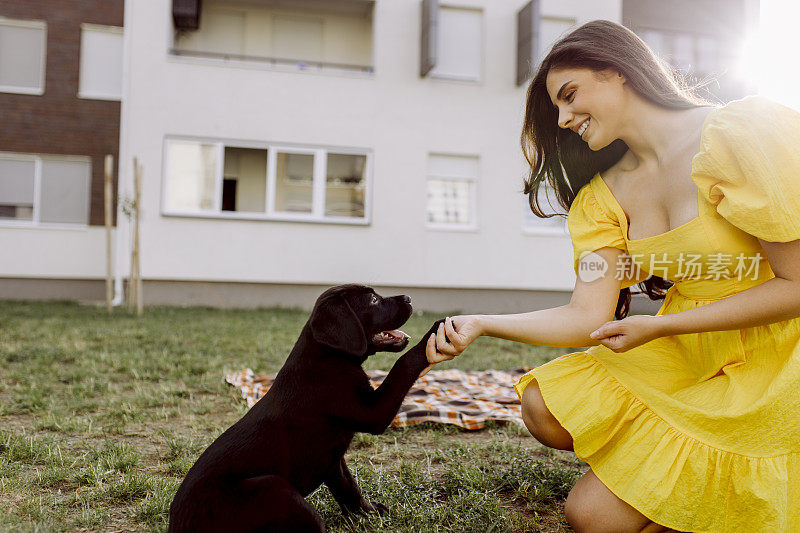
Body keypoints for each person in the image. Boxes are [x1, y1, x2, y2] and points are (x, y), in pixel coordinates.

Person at [425, 19, 800, 533]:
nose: (561, 119)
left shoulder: (741, 133)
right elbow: (586, 314)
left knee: (591, 517)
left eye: (570, 94)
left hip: (779, 352)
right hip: (691, 351)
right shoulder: (603, 196)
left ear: (617, 71)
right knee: (542, 405)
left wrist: (661, 326)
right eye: (555, 108)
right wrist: (482, 322)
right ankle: (678, 466)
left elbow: (796, 284)